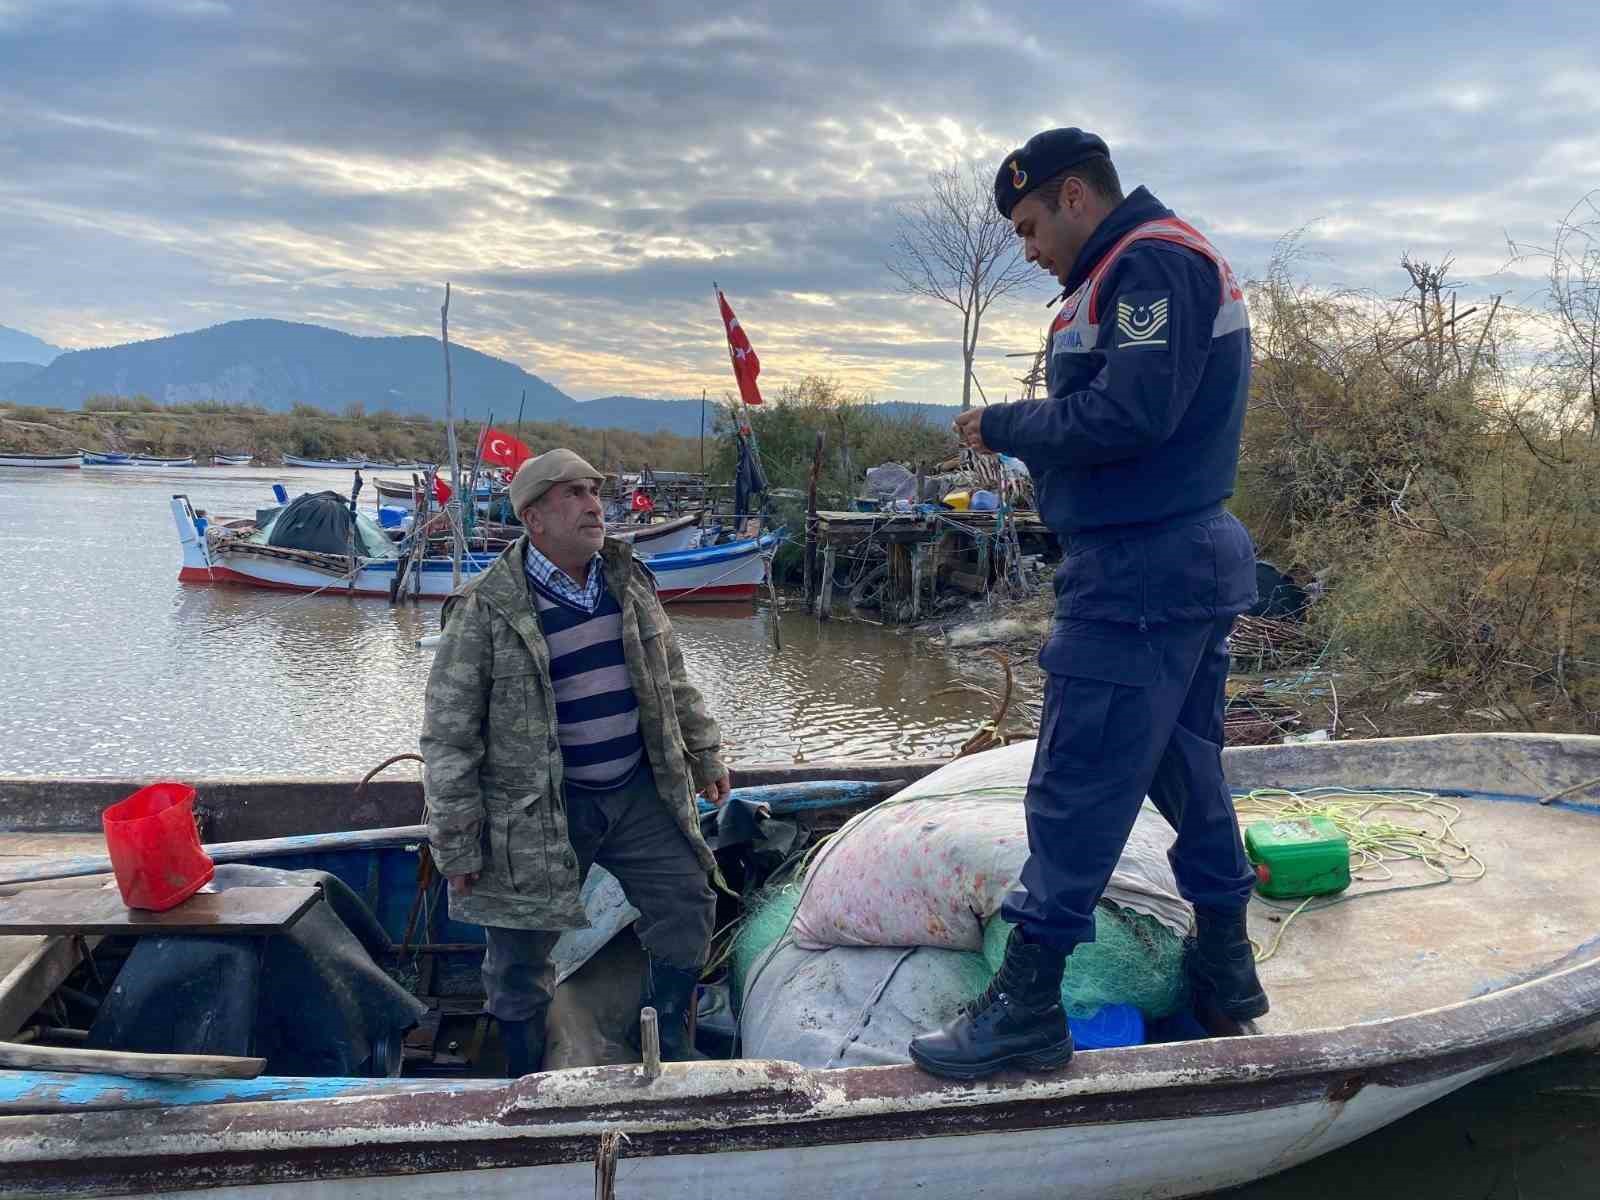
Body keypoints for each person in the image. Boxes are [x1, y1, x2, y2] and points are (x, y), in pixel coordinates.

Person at [910, 129, 1267, 1080]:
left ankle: (1025, 1012)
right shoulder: (1146, 265)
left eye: (1029, 227)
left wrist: (1006, 424)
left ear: (1075, 197)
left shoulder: (1149, 265)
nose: (1028, 249)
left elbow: (1128, 415)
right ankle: (1228, 972)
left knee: (1075, 787)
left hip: (1141, 569)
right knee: (1187, 772)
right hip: (1178, 560)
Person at [421, 448, 731, 1076]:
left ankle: (669, 1042)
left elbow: (672, 679)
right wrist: (457, 845)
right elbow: (448, 738)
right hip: (536, 810)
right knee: (517, 954)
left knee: (687, 903)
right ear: (534, 517)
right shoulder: (485, 608)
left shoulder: (627, 580)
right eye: (573, 494)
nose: (594, 505)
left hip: (638, 792)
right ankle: (523, 1075)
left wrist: (704, 751)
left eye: (594, 491)